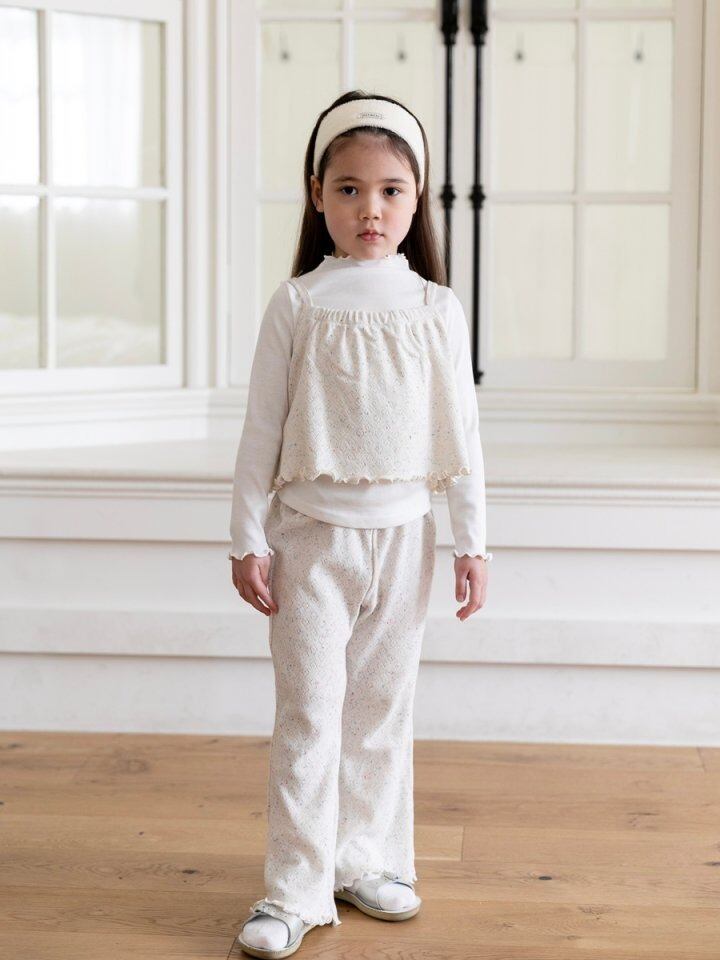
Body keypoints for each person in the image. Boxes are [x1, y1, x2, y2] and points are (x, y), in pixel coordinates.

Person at [229, 90, 492, 958]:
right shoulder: (299, 304)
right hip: (312, 543)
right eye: (348, 189)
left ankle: (364, 858)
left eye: (389, 190)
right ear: (318, 196)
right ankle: (293, 891)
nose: (369, 208)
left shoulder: (436, 309)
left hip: (407, 542)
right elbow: (262, 431)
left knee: (380, 713)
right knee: (311, 716)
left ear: (417, 200)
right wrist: (247, 537)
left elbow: (464, 436)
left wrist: (472, 541)